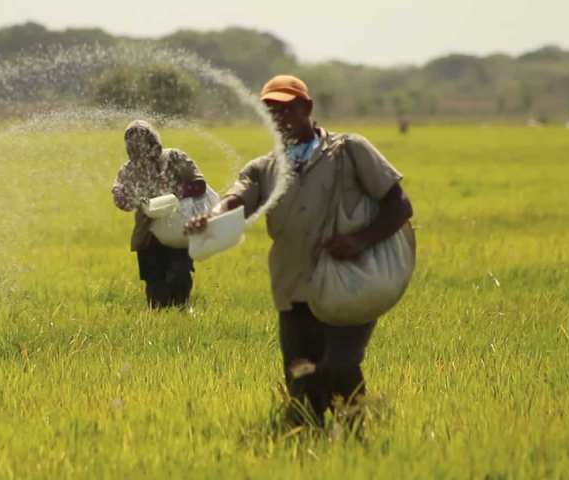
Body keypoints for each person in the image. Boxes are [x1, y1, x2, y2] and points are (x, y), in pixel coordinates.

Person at [185, 75, 414, 429]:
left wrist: (360, 240)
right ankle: (306, 442)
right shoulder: (265, 168)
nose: (280, 117)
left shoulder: (349, 150)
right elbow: (235, 199)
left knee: (340, 364)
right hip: (293, 289)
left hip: (349, 282)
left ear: (307, 108)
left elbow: (399, 206)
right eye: (271, 111)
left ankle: (356, 436)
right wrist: (209, 219)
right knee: (300, 377)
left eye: (288, 108)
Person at [112, 120, 207, 309]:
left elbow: (199, 184)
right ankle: (159, 320)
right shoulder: (129, 170)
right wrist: (124, 197)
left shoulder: (175, 158)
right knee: (154, 284)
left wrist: (173, 195)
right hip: (149, 236)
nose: (141, 159)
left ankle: (180, 315)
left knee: (179, 277)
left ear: (155, 145)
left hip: (178, 232)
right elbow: (120, 198)